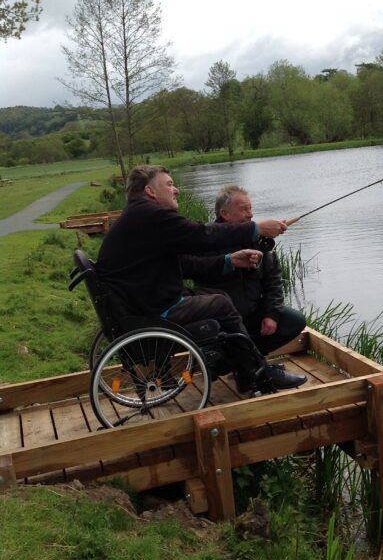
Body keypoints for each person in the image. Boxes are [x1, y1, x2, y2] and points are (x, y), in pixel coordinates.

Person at [95, 165, 307, 391]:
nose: (175, 190)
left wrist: (229, 261)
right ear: (150, 191)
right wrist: (254, 229)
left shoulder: (140, 217)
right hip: (152, 311)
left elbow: (186, 264)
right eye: (169, 184)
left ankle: (250, 370)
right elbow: (201, 235)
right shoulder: (150, 215)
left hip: (141, 306)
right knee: (221, 302)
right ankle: (259, 373)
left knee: (218, 299)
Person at [181, 184, 307, 356]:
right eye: (244, 209)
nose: (251, 214)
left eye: (250, 208)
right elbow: (194, 270)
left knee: (295, 320)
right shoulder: (206, 240)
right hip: (220, 318)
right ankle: (239, 363)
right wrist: (229, 262)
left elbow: (273, 282)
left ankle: (249, 360)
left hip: (252, 312)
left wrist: (271, 315)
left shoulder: (257, 240)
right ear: (224, 214)